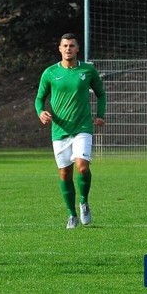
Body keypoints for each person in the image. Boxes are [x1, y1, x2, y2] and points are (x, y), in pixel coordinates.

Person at [35, 33, 106, 229]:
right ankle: (71, 214)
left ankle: (83, 202)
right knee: (65, 174)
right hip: (60, 130)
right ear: (59, 48)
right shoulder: (50, 73)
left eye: (72, 46)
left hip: (82, 127)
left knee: (82, 167)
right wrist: (41, 112)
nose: (68, 49)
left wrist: (100, 114)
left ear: (77, 49)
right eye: (65, 45)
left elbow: (100, 93)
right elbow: (39, 98)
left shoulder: (88, 71)